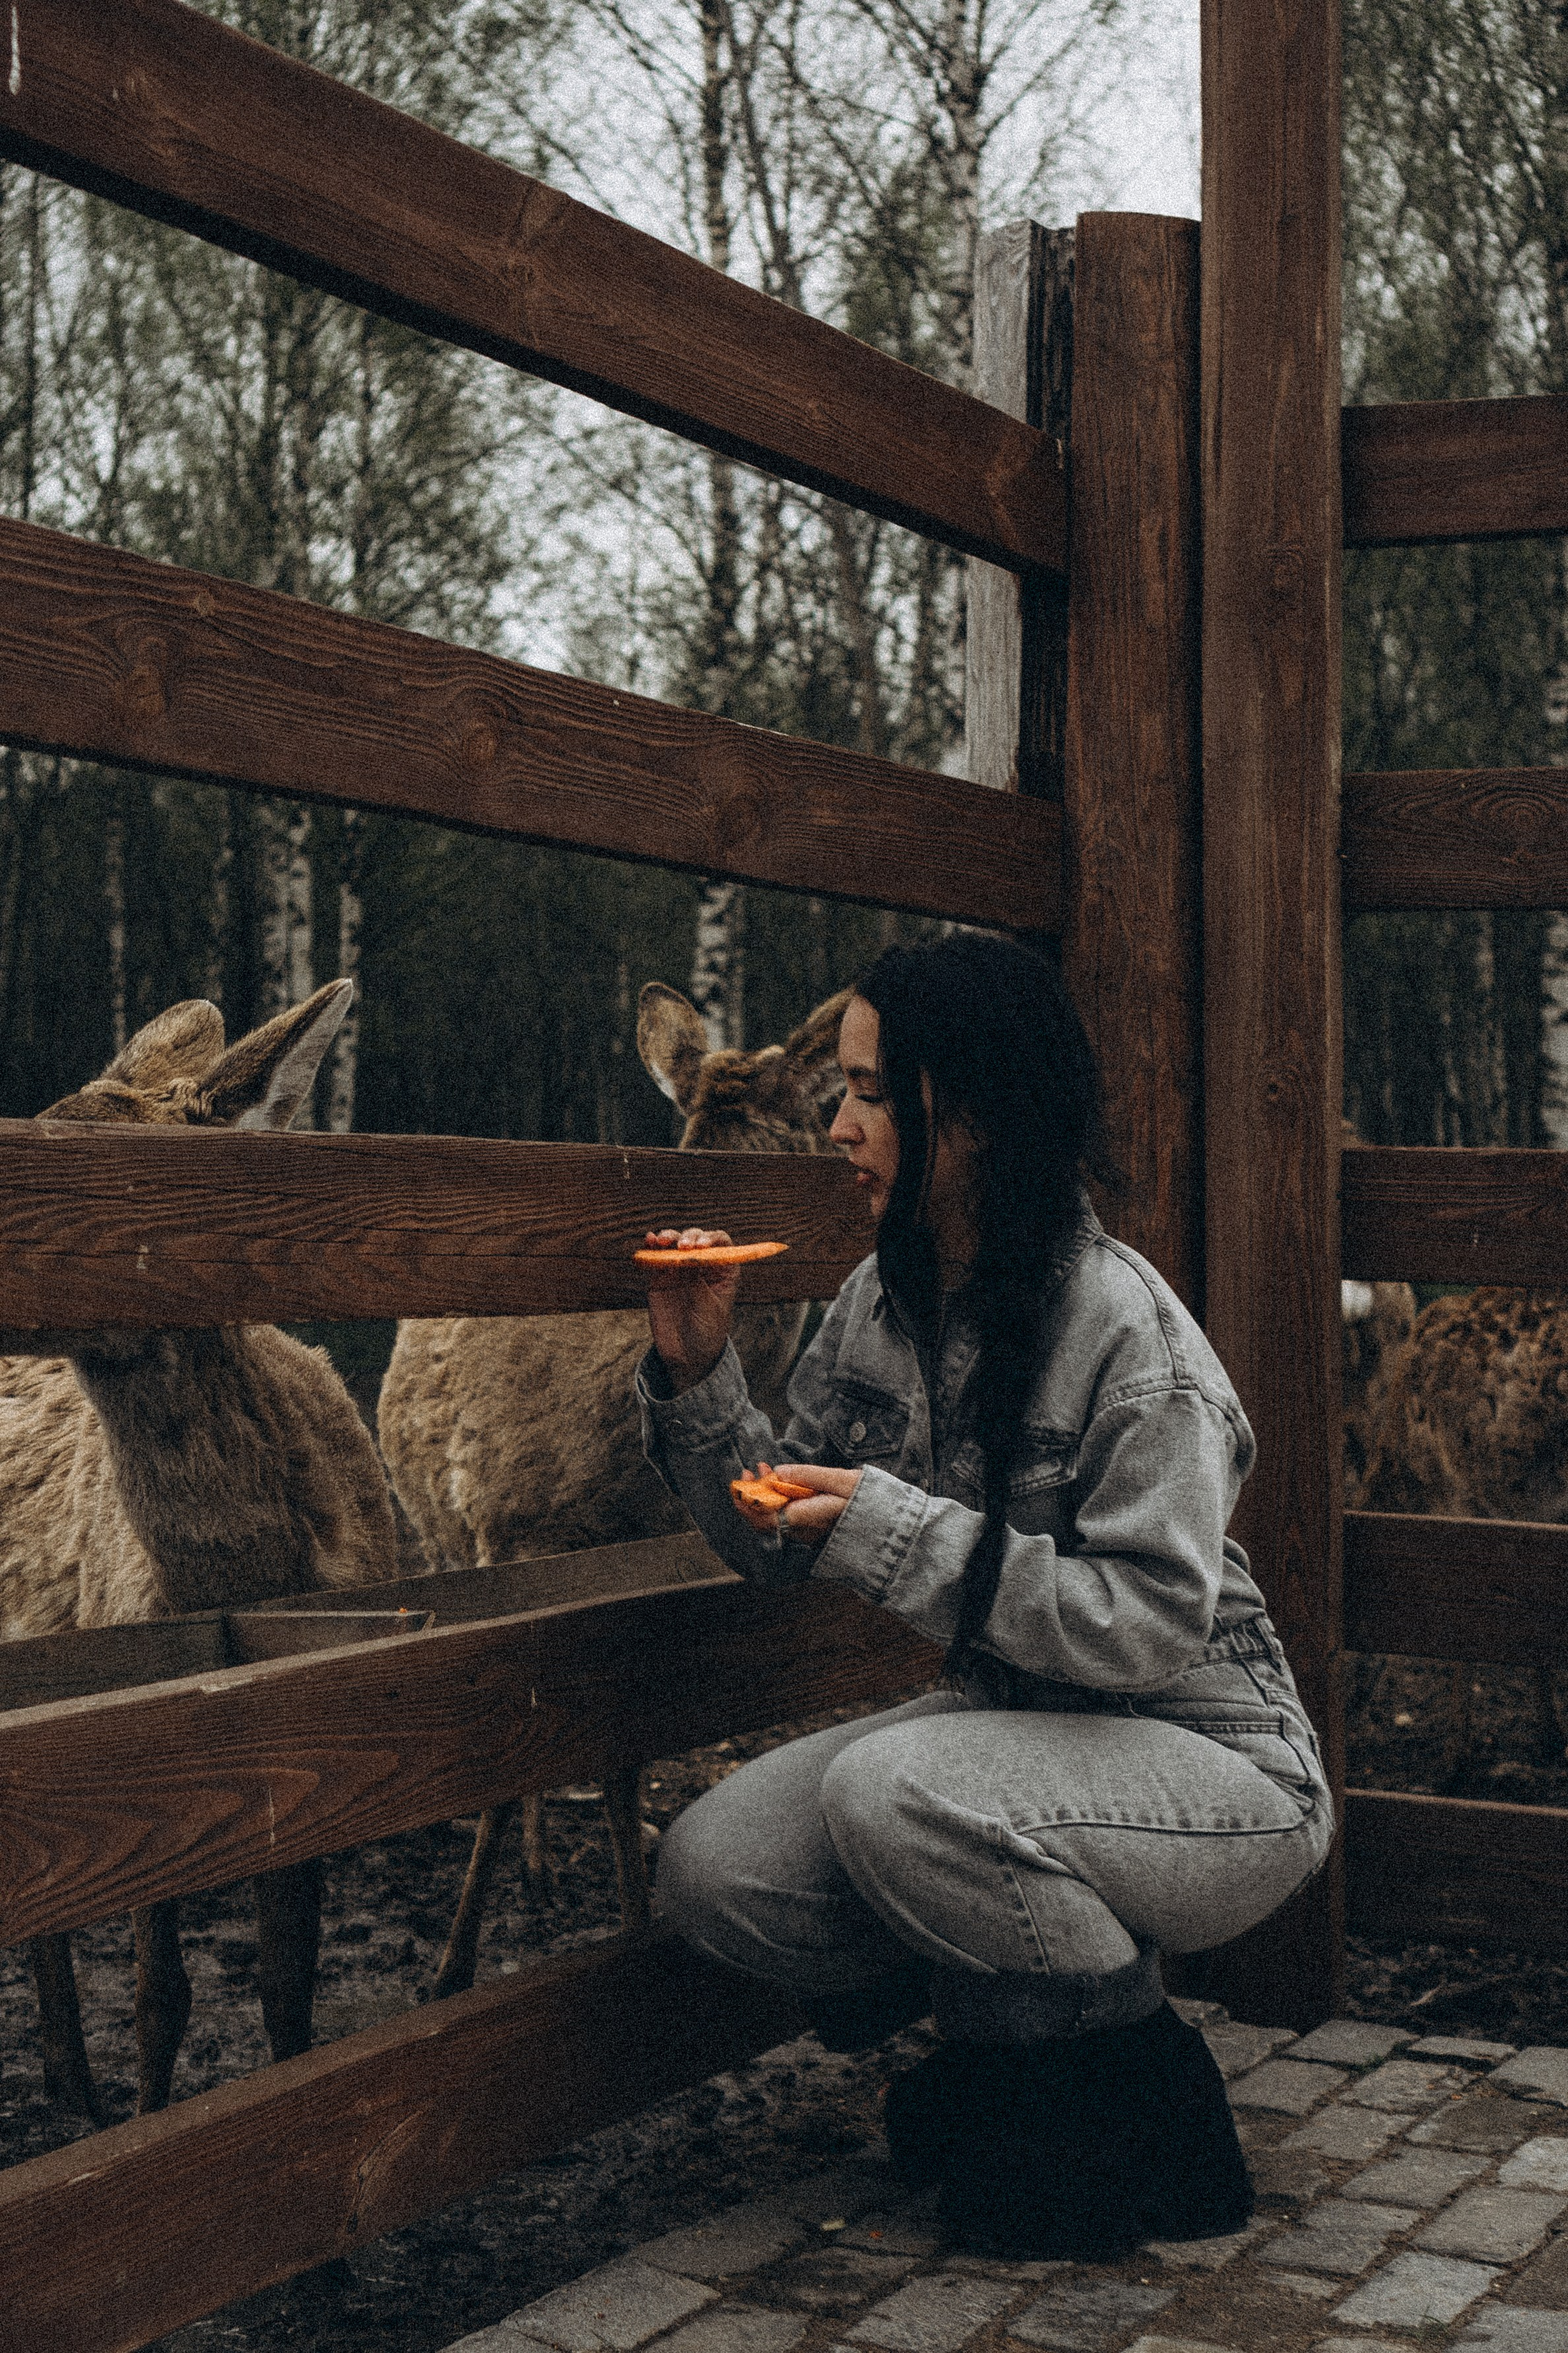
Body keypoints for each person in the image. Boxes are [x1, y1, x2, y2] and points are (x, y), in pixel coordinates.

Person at [636, 932, 1333, 2258]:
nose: (837, 1127)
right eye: (840, 1091)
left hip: (1214, 1768)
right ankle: (1013, 2038)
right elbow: (786, 1537)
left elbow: (1145, 1629)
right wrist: (697, 1378)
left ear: (981, 1110)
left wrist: (901, 1531)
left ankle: (1121, 2082)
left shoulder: (1133, 1337)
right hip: (1012, 1746)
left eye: (871, 1094)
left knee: (892, 1798)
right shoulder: (882, 1305)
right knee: (717, 1871)